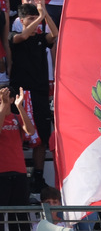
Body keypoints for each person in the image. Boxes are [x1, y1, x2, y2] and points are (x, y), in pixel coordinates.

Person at [10, 0, 58, 193]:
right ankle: (20, 175)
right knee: (20, 135)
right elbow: (22, 36)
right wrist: (39, 16)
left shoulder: (40, 39)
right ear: (21, 20)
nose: (34, 23)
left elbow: (55, 34)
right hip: (20, 93)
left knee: (43, 137)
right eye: (29, 19)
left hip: (39, 92)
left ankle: (38, 177)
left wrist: (45, 14)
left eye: (35, 19)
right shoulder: (13, 36)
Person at [0, 86, 34, 231]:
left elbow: (30, 131)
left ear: (12, 98)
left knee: (20, 216)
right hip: (1, 173)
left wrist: (19, 107)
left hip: (19, 172)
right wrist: (3, 104)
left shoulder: (16, 117)